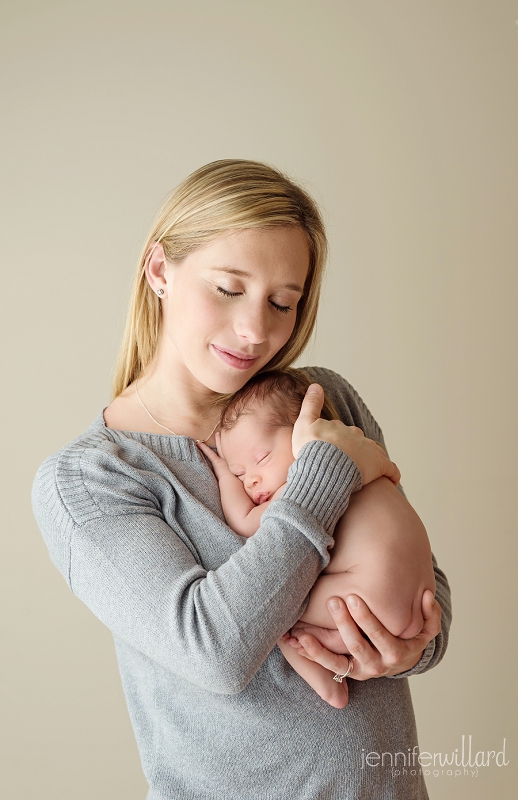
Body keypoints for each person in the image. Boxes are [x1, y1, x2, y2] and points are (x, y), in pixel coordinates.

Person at [32, 159, 451, 800]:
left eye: (283, 302)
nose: (257, 329)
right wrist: (325, 473)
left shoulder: (318, 399)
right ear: (159, 271)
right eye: (228, 289)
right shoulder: (92, 479)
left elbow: (426, 591)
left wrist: (409, 649)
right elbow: (215, 651)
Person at [197, 368, 436, 708]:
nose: (250, 481)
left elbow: (246, 521)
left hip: (373, 597)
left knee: (272, 608)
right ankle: (334, 654)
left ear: (304, 433)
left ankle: (327, 683)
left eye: (260, 459)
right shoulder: (358, 456)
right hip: (414, 603)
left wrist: (223, 472)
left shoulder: (310, 479)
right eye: (240, 474)